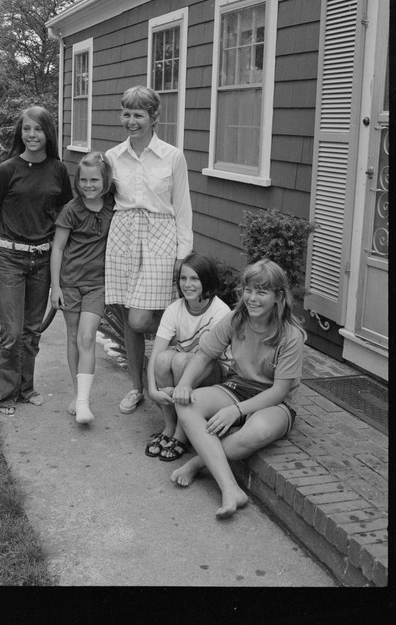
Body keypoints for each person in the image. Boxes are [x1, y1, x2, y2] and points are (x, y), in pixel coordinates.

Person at [169, 259, 305, 519]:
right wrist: (184, 384)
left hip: (276, 402)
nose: (252, 298)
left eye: (262, 292)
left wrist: (236, 411)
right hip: (238, 386)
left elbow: (279, 391)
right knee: (186, 403)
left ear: (278, 297)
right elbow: (203, 356)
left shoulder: (291, 335)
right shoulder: (236, 319)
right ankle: (230, 488)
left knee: (258, 431)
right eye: (249, 290)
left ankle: (199, 462)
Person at [104, 85, 193, 414]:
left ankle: (185, 348)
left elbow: (182, 208)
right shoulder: (112, 157)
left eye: (138, 114)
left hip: (160, 238)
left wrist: (183, 253)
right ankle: (137, 388)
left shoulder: (172, 156)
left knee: (142, 319)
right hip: (123, 236)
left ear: (154, 117)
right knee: (129, 318)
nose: (131, 120)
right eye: (126, 113)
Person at [0, 106, 73, 416]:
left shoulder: (58, 170)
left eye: (37, 129)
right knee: (11, 332)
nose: (31, 135)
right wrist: (5, 240)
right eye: (26, 129)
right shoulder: (7, 169)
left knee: (32, 331)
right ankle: (6, 396)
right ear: (20, 134)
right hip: (11, 259)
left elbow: (64, 214)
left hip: (44, 260)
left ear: (48, 133)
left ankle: (26, 388)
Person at [145, 252, 231, 461]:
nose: (187, 284)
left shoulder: (220, 311)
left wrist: (177, 385)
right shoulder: (175, 309)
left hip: (214, 372)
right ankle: (170, 427)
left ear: (207, 280)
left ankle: (182, 435)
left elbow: (206, 358)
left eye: (195, 279)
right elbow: (156, 353)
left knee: (181, 359)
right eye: (183, 278)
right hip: (183, 369)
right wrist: (152, 389)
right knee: (164, 359)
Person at [50, 152, 115, 424]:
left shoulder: (114, 207)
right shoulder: (72, 210)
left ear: (106, 180)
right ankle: (78, 395)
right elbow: (58, 247)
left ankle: (84, 402)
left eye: (95, 180)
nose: (89, 185)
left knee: (87, 337)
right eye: (84, 180)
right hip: (70, 283)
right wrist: (56, 287)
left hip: (98, 284)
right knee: (74, 335)